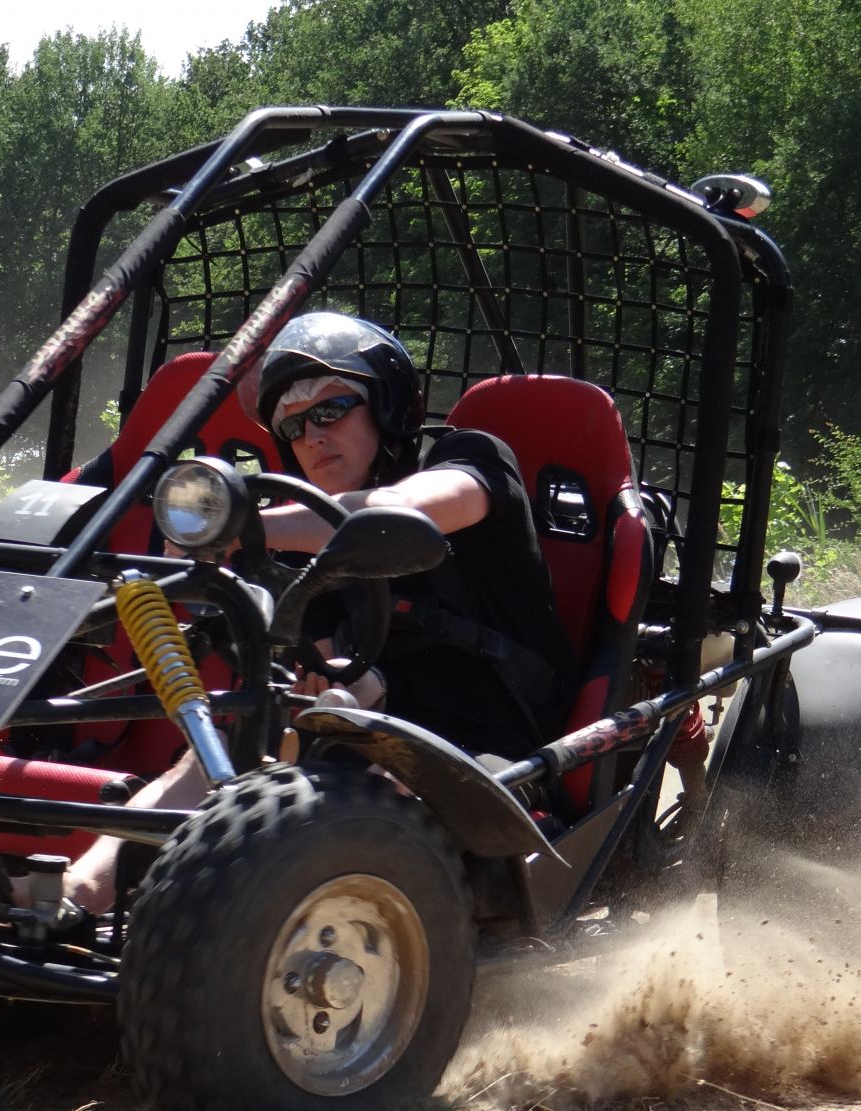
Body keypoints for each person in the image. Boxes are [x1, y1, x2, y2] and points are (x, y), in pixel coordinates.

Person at [56, 311, 577, 914]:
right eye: (293, 424)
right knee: (221, 749)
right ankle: (75, 900)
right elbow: (329, 675)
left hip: (493, 750)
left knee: (372, 795)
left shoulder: (475, 458)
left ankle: (253, 927)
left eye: (330, 409)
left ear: (386, 406)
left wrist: (239, 525)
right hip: (372, 741)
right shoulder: (304, 560)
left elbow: (405, 511)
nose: (311, 436)